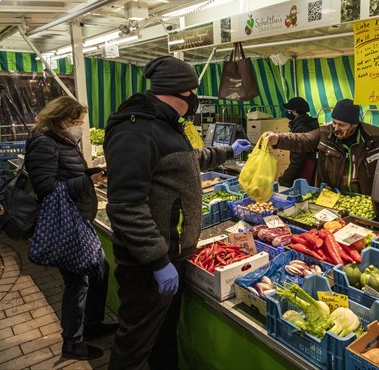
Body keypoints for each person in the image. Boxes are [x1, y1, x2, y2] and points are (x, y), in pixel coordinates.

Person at [103, 55, 251, 369]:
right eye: (193, 92)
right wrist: (157, 260)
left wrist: (227, 151)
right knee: (135, 346)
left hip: (173, 254)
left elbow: (186, 162)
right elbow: (126, 206)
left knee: (163, 337)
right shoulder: (137, 132)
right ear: (178, 93)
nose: (196, 99)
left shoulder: (165, 125)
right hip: (147, 265)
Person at [25, 96, 117, 360]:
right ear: (58, 119)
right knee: (77, 284)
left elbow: (67, 174)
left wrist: (90, 173)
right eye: (74, 121)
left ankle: (93, 323)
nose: (78, 126)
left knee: (100, 269)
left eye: (80, 122)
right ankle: (72, 342)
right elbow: (48, 188)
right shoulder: (44, 143)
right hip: (67, 223)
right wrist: (87, 181)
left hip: (79, 219)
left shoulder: (62, 139)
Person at [265, 98, 379, 218]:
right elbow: (303, 139)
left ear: (354, 124)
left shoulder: (375, 138)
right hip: (333, 195)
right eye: (334, 122)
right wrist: (278, 139)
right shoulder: (325, 134)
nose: (336, 128)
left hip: (363, 196)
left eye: (341, 125)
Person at [277, 97, 319, 187]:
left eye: (288, 110)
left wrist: (286, 178)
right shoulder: (304, 123)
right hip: (306, 165)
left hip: (305, 168)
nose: (286, 111)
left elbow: (298, 159)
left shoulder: (302, 128)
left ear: (295, 111)